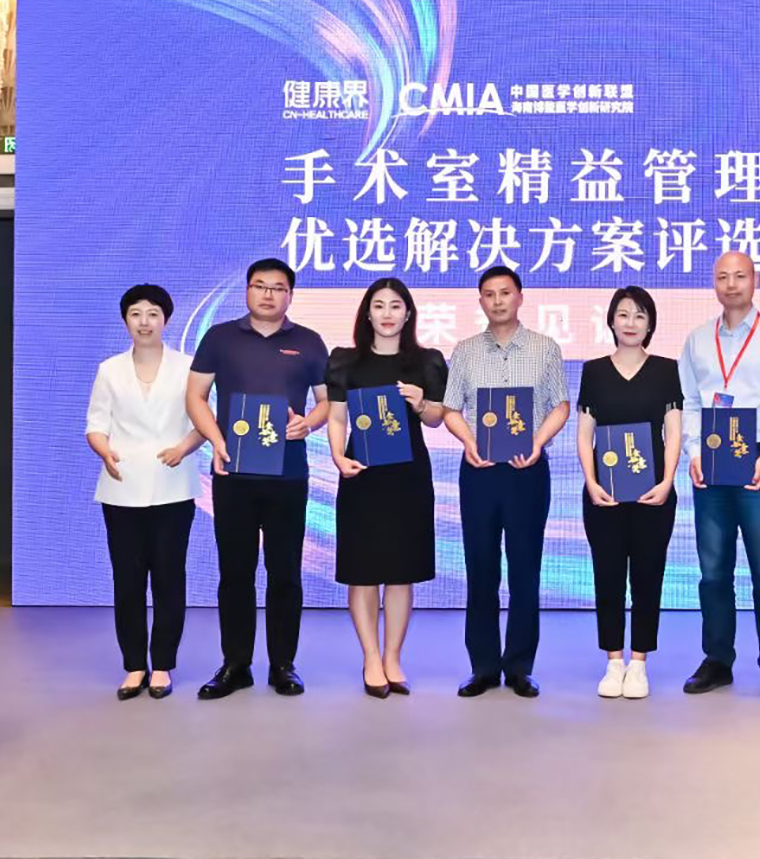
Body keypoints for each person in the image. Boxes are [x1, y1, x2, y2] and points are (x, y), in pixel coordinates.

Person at [185, 258, 329, 700]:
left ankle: (283, 664)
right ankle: (236, 664)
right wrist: (216, 441)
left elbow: (326, 402)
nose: (268, 294)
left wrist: (308, 423)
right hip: (234, 473)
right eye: (260, 285)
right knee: (235, 572)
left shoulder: (308, 341)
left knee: (285, 572)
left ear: (290, 295)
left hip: (289, 474)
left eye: (278, 287)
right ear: (247, 290)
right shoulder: (220, 337)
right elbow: (195, 396)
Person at [678, 251, 760, 702]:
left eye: (740, 276)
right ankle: (717, 660)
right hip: (712, 461)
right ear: (713, 283)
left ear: (754, 281)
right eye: (722, 277)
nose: (731, 284)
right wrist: (693, 451)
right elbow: (690, 402)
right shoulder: (697, 339)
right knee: (713, 573)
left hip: (758, 459)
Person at [441, 266, 570, 698]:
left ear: (520, 297)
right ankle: (482, 667)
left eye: (505, 293)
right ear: (480, 301)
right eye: (489, 294)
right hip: (479, 471)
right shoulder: (464, 351)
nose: (497, 301)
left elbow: (560, 405)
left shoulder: (544, 348)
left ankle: (518, 667)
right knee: (480, 568)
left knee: (524, 570)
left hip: (526, 471)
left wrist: (537, 442)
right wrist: (468, 441)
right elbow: (451, 408)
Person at [325, 278, 448, 699]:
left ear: (408, 313)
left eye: (396, 306)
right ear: (367, 313)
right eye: (379, 306)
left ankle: (393, 657)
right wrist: (337, 457)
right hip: (361, 475)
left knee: (400, 572)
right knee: (362, 571)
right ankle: (371, 657)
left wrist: (421, 403)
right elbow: (337, 416)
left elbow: (436, 418)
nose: (387, 314)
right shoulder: (346, 361)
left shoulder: (427, 362)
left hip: (408, 477)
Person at [84, 284, 204, 700]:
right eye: (136, 314)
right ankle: (134, 665)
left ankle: (163, 665)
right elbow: (95, 424)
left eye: (153, 313)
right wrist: (104, 451)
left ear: (165, 319)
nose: (144, 322)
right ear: (125, 321)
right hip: (122, 487)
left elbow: (205, 421)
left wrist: (183, 448)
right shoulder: (109, 369)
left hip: (174, 485)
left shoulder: (188, 367)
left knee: (169, 577)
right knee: (128, 580)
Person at [575, 287, 683, 699]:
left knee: (647, 577)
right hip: (604, 495)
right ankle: (613, 661)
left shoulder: (666, 370)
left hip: (653, 495)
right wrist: (591, 482)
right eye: (623, 315)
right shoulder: (594, 371)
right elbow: (584, 433)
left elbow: (673, 431)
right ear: (611, 321)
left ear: (650, 323)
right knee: (607, 576)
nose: (631, 323)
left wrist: (667, 481)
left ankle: (639, 663)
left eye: (639, 315)